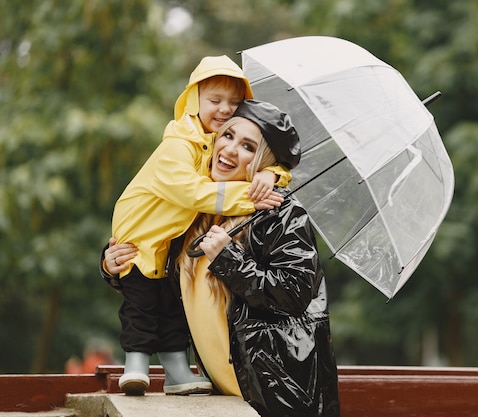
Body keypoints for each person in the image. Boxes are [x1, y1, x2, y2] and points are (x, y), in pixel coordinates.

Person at [105, 100, 340, 416]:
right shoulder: (192, 206)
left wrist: (228, 258)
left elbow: (295, 293)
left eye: (247, 146)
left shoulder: (278, 212)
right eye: (227, 135)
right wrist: (111, 265)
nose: (229, 149)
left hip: (274, 396)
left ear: (263, 162)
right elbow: (156, 274)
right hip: (218, 396)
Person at [103, 56, 291, 396]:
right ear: (194, 101)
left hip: (258, 370)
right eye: (214, 101)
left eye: (234, 104)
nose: (223, 110)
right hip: (143, 240)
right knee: (142, 307)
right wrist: (108, 262)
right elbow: (193, 194)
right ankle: (136, 364)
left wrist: (271, 175)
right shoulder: (181, 146)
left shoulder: (274, 206)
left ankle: (176, 368)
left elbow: (287, 290)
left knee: (171, 311)